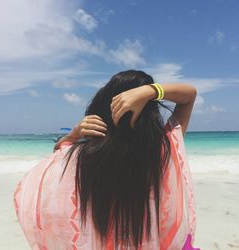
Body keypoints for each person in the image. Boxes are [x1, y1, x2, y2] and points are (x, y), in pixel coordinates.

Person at [13, 70, 200, 250]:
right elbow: (189, 96)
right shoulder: (163, 151)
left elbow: (57, 153)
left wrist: (75, 132)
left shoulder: (80, 158)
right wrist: (150, 91)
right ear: (152, 111)